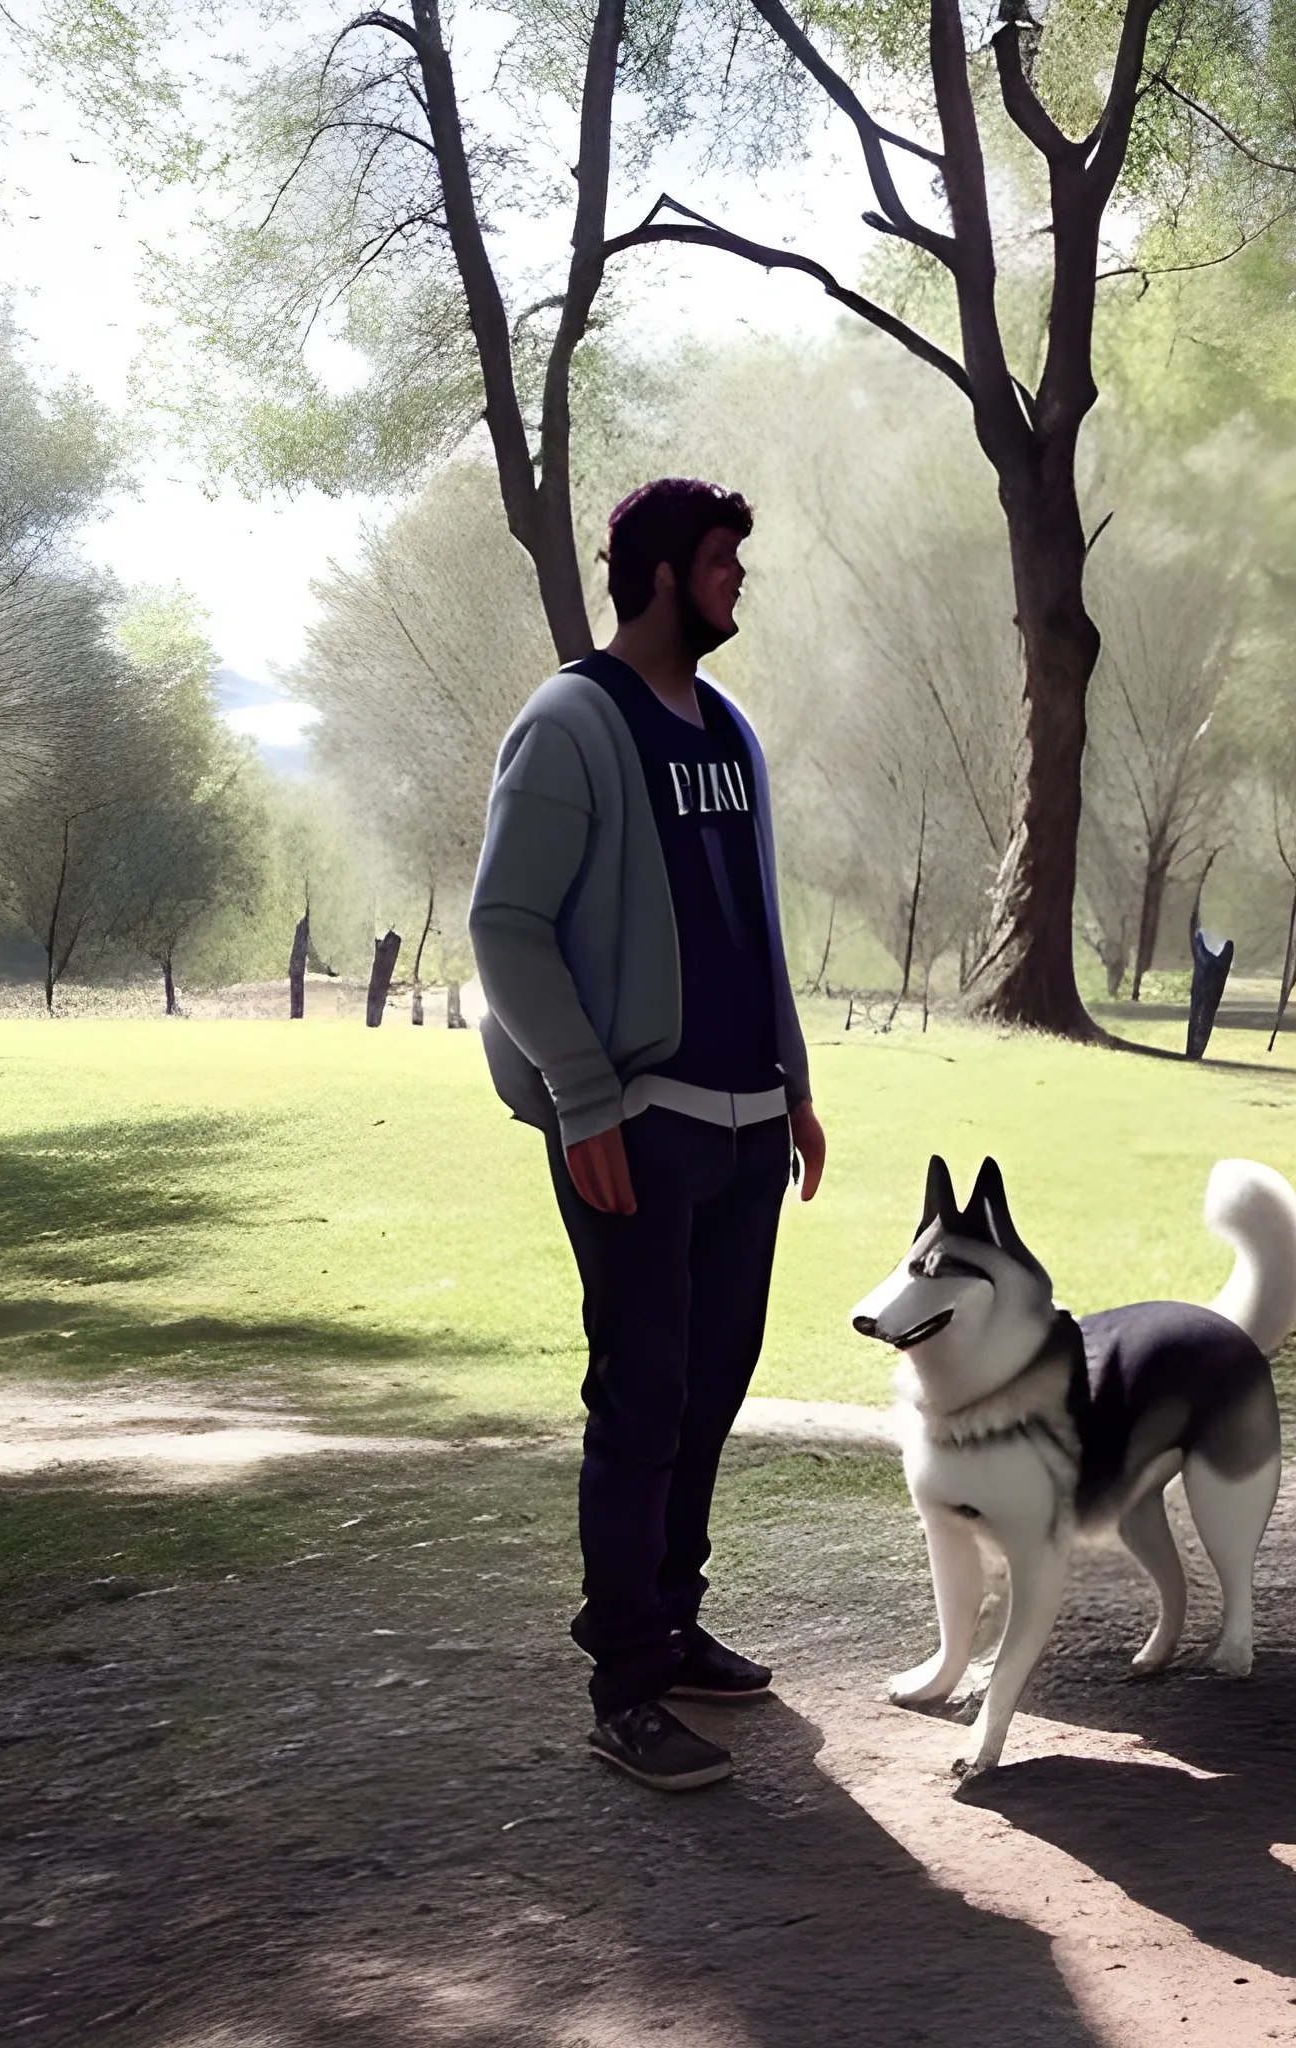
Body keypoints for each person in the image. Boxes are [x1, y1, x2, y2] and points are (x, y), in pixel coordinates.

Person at [469, 478, 827, 1793]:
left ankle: (671, 1623)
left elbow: (755, 924)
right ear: (666, 572)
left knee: (713, 1388)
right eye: (726, 560)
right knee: (642, 1398)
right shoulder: (571, 724)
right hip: (639, 1125)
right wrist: (583, 1098)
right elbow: (506, 926)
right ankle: (624, 1682)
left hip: (743, 1125)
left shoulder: (727, 731)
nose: (740, 580)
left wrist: (792, 1081)